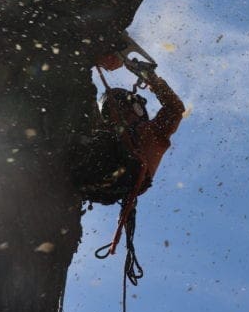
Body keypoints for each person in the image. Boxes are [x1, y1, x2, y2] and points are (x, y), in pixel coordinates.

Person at [73, 58, 184, 205]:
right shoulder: (105, 128)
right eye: (111, 110)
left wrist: (151, 78)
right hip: (94, 176)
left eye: (120, 106)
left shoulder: (150, 132)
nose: (118, 113)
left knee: (88, 130)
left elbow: (174, 109)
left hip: (120, 174)